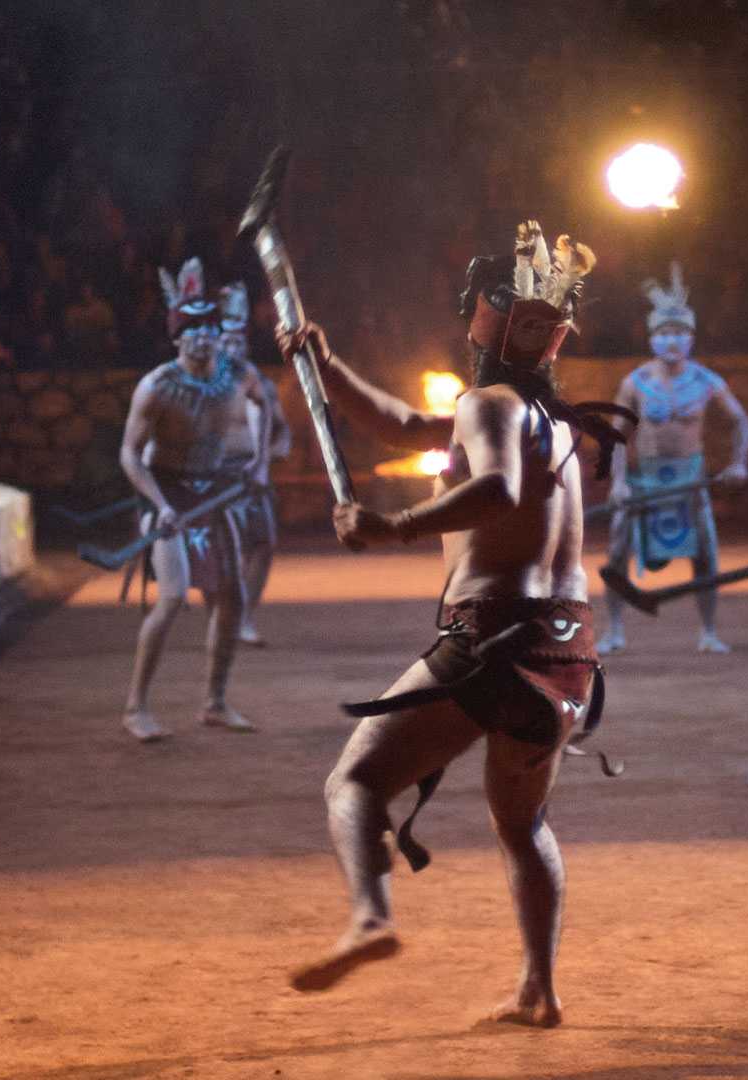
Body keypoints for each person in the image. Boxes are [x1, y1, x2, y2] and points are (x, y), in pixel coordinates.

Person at [281, 221, 628, 1028]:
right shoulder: (558, 425)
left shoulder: (491, 404)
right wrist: (324, 367)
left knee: (354, 784)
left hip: (494, 645)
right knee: (522, 822)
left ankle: (371, 917)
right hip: (567, 657)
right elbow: (403, 428)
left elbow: (498, 489)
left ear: (483, 316)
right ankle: (540, 989)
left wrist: (392, 527)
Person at [116, 258, 271, 742]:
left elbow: (262, 400)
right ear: (177, 338)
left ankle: (215, 702)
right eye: (193, 332)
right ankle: (135, 707)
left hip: (213, 492)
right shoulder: (157, 386)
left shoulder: (235, 374)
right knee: (172, 596)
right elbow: (129, 453)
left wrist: (258, 462)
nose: (203, 340)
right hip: (166, 494)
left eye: (209, 330)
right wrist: (159, 503)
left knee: (232, 599)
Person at [598, 262, 748, 654]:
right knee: (617, 550)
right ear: (652, 338)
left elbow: (740, 422)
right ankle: (614, 630)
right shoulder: (635, 383)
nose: (671, 341)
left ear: (691, 338)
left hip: (690, 479)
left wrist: (738, 463)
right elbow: (617, 435)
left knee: (706, 552)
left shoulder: (706, 381)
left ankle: (709, 631)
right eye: (664, 333)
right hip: (644, 479)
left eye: (679, 333)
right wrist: (617, 482)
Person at [213, 281, 292, 646]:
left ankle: (243, 615)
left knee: (263, 544)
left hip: (254, 476)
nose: (233, 348)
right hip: (216, 477)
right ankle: (226, 615)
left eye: (238, 342)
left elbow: (277, 431)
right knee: (224, 550)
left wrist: (263, 462)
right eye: (225, 342)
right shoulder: (204, 386)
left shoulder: (260, 384)